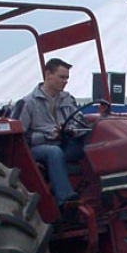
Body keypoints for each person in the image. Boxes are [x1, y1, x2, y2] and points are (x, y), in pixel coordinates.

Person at [16, 57, 87, 207]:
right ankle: (65, 199)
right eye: (62, 77)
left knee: (91, 144)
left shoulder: (68, 100)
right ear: (48, 74)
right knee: (53, 152)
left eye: (67, 78)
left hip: (64, 143)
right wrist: (46, 136)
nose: (65, 81)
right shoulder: (28, 103)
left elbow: (79, 121)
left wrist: (71, 131)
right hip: (37, 148)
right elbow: (18, 137)